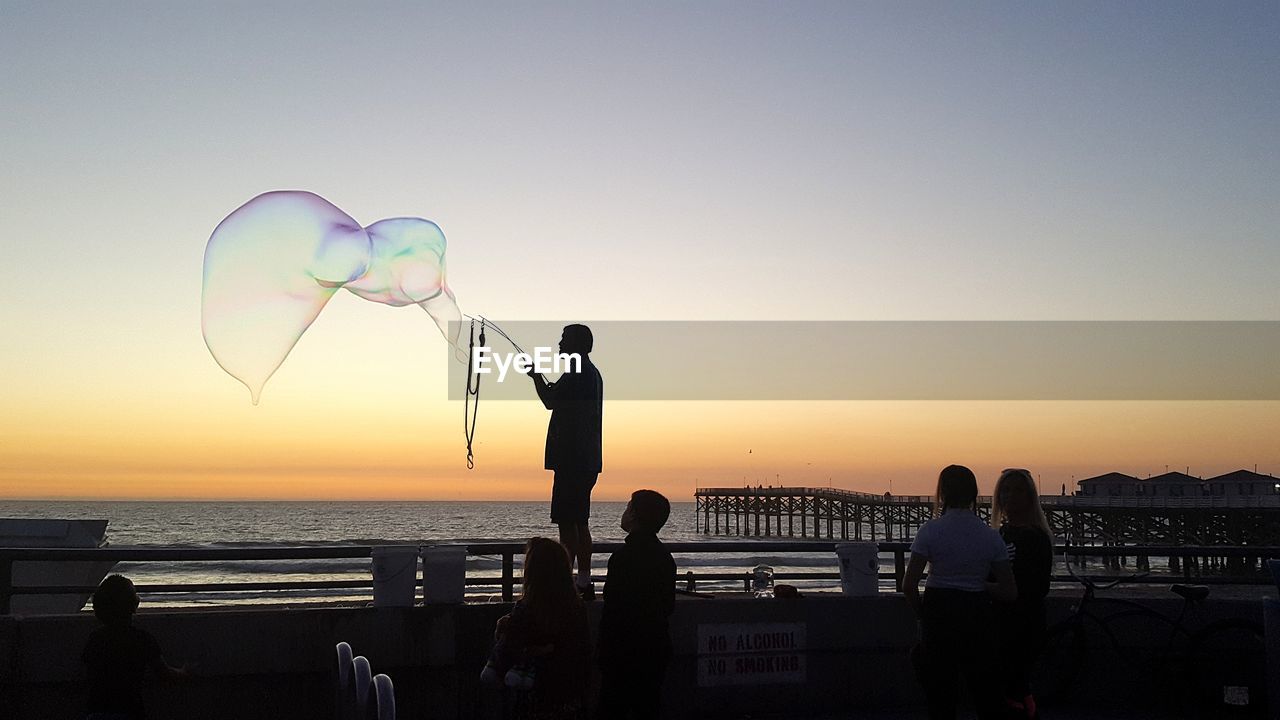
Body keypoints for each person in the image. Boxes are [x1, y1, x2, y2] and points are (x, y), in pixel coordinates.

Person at [901, 465, 1016, 720]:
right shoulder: (990, 537)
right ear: (974, 494)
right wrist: (979, 584)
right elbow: (1009, 591)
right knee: (985, 695)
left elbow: (908, 586)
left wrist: (923, 615)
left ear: (942, 494)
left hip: (938, 611)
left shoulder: (930, 531)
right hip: (977, 613)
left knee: (941, 697)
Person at [527, 323, 603, 599]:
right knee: (580, 521)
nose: (559, 344)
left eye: (564, 339)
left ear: (576, 344)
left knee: (567, 523)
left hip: (571, 459)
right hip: (588, 459)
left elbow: (550, 400)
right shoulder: (591, 373)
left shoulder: (576, 372)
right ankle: (582, 582)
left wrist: (535, 376)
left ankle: (566, 585)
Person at [481, 537, 590, 717]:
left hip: (533, 702)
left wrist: (503, 632)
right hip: (569, 701)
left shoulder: (526, 610)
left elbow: (505, 655)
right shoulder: (576, 608)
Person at [597, 489, 676, 720]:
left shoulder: (622, 557)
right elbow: (667, 606)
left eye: (627, 506)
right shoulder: (665, 557)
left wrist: (603, 650)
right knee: (648, 707)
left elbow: (612, 607)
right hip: (655, 647)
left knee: (611, 708)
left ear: (633, 515)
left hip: (622, 651)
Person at [991, 468, 1054, 719]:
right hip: (1001, 623)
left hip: (1024, 625)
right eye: (1005, 490)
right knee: (1011, 688)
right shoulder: (1002, 533)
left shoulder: (1035, 537)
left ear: (1030, 497)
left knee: (1015, 689)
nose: (1010, 496)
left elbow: (1038, 588)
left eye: (1018, 490)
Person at [81, 574, 187, 720]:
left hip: (97, 711)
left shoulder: (95, 639)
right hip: (130, 710)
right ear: (133, 606)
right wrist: (184, 672)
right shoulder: (142, 638)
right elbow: (164, 673)